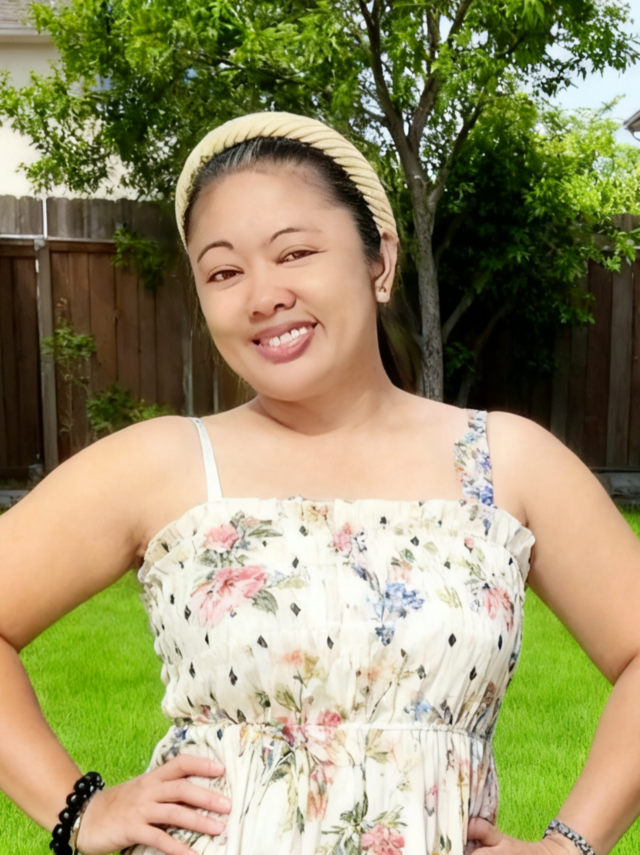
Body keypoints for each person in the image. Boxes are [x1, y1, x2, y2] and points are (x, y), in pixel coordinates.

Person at [0, 111, 639, 855]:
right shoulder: (162, 463)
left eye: (295, 252)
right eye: (224, 272)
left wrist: (569, 845)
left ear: (380, 261)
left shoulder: (506, 461)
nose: (262, 295)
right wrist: (80, 809)